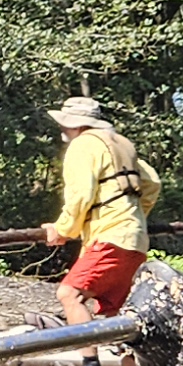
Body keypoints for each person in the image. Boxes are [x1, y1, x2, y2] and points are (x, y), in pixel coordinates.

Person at [41, 95, 159, 323]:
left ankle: (90, 360)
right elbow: (152, 183)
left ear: (73, 124)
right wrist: (135, 216)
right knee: (113, 314)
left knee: (69, 294)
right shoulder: (121, 144)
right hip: (135, 240)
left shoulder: (82, 145)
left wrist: (63, 229)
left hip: (109, 237)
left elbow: (81, 194)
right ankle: (123, 358)